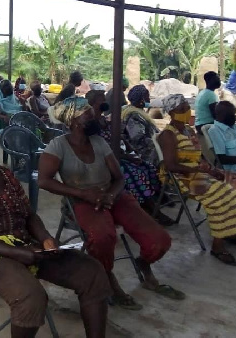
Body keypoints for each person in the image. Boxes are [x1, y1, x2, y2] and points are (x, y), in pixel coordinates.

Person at [0, 118, 112, 338]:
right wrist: (17, 253)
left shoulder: (6, 175)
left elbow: (29, 215)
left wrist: (46, 239)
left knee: (93, 273)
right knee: (31, 297)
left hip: (25, 245)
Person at [38, 97, 181, 310]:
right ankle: (107, 279)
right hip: (81, 201)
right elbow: (43, 180)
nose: (94, 116)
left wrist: (111, 196)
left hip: (113, 197)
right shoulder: (58, 145)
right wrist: (83, 194)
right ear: (74, 121)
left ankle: (144, 262)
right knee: (103, 238)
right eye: (87, 113)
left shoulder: (99, 142)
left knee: (159, 239)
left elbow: (119, 178)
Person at [158, 94, 236, 266]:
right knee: (225, 194)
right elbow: (171, 165)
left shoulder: (189, 130)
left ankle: (231, 231)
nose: (186, 111)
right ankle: (218, 246)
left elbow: (199, 156)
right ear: (171, 113)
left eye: (187, 107)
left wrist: (210, 169)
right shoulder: (168, 134)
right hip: (183, 177)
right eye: (181, 109)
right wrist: (198, 170)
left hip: (199, 171)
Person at [86, 90, 173, 226]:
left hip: (117, 156)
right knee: (133, 173)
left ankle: (152, 202)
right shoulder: (90, 123)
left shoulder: (104, 119)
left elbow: (117, 137)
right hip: (104, 161)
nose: (105, 102)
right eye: (101, 100)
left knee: (148, 168)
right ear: (92, 104)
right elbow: (103, 149)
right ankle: (151, 209)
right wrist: (128, 157)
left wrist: (129, 149)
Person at [121, 85, 160, 166]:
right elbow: (137, 138)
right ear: (141, 100)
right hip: (144, 156)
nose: (149, 99)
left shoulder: (138, 112)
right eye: (147, 97)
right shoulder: (133, 115)